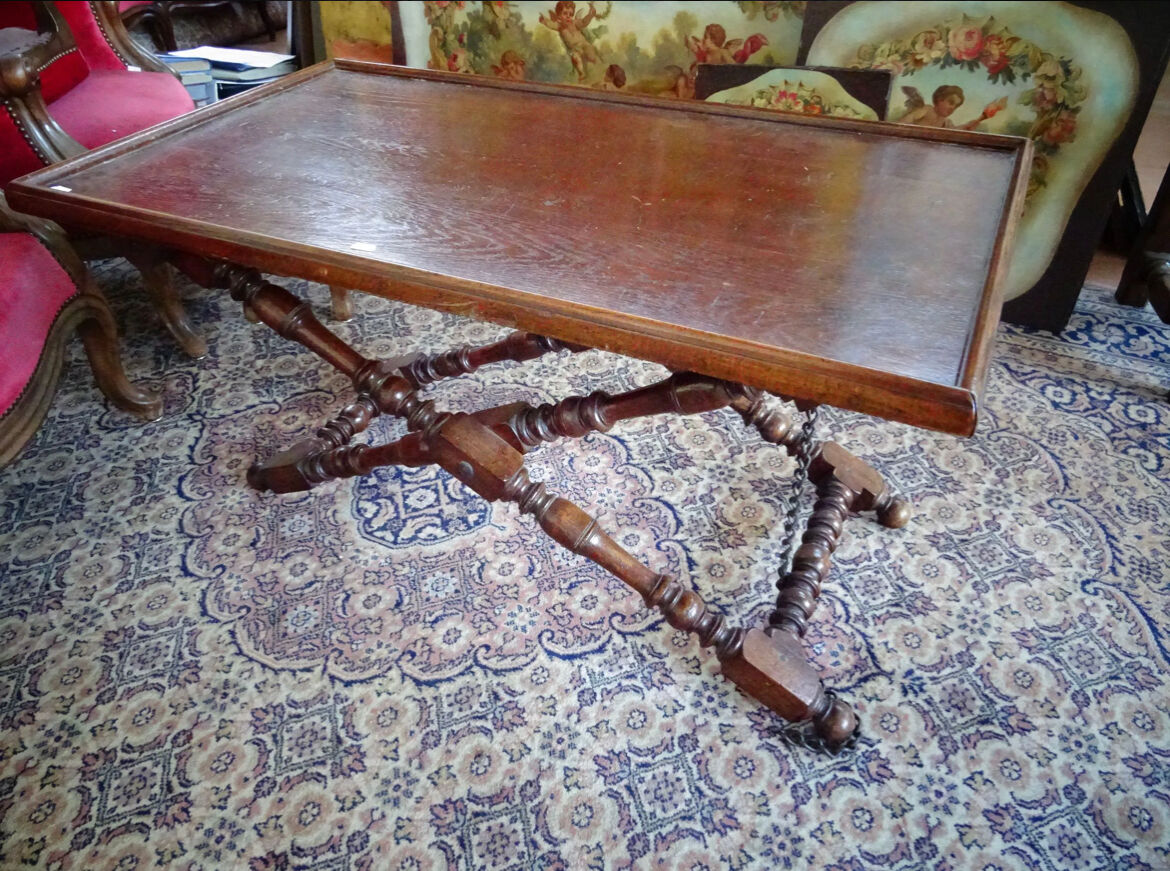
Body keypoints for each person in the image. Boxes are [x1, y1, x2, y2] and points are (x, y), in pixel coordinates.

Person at [539, 1, 600, 82]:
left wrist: (590, 15)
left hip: (583, 44)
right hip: (574, 49)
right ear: (559, 16)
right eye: (565, 13)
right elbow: (551, 24)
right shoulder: (559, 26)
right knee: (575, 58)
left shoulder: (575, 23)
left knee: (590, 52)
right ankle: (582, 74)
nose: (568, 16)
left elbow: (584, 22)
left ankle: (596, 64)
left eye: (570, 14)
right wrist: (544, 21)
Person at [900, 84, 1007, 130]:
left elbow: (962, 130)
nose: (952, 108)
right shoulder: (926, 110)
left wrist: (982, 117)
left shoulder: (946, 123)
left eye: (956, 106)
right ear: (939, 99)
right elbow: (901, 124)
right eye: (950, 102)